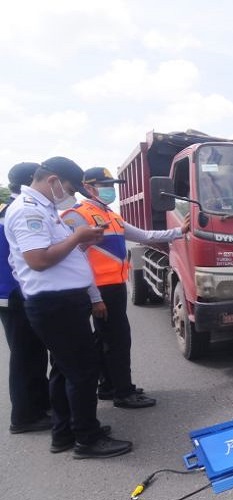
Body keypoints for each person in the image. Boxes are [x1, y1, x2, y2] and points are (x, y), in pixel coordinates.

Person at [4, 156, 132, 458]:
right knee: (83, 373)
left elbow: (57, 253)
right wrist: (78, 236)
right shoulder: (27, 211)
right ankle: (87, 439)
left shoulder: (46, 210)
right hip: (55, 305)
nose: (70, 195)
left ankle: (65, 433)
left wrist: (81, 242)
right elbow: (38, 260)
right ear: (52, 181)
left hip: (63, 303)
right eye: (69, 188)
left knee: (64, 370)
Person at [61, 167, 189, 409]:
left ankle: (109, 386)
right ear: (88, 187)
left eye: (112, 184)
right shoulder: (77, 216)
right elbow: (75, 260)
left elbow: (145, 235)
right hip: (99, 290)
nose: (111, 190)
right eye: (105, 184)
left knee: (106, 340)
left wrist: (178, 231)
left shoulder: (110, 215)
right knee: (117, 342)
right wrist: (95, 297)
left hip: (114, 287)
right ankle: (124, 392)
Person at [0, 162, 51, 434]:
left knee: (32, 352)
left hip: (12, 293)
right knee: (25, 355)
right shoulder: (19, 211)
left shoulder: (9, 209)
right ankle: (24, 417)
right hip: (14, 293)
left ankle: (40, 404)